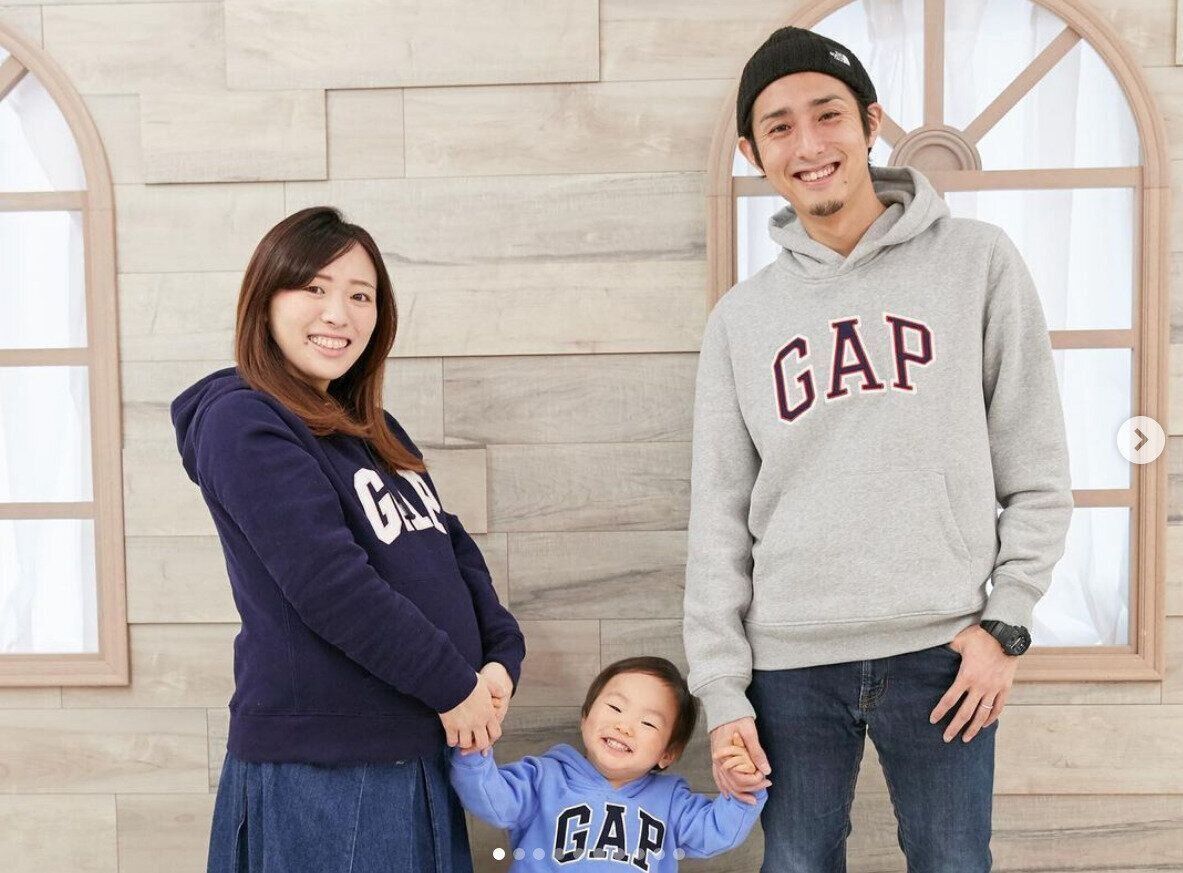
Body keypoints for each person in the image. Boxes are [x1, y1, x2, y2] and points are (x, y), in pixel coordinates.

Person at [682, 26, 1073, 872]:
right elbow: (716, 518)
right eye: (779, 126)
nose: (808, 144)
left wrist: (1003, 625)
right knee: (795, 862)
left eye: (827, 115)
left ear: (869, 123)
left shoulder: (977, 263)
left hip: (943, 651)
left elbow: (1038, 471)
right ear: (752, 153)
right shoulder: (741, 320)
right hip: (786, 663)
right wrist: (721, 689)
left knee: (952, 862)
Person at [171, 206, 526, 872]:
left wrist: (500, 659)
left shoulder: (373, 428)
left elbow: (451, 550)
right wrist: (454, 687)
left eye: (360, 296)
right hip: (328, 770)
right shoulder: (242, 421)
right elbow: (332, 587)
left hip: (418, 746)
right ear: (265, 299)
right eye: (314, 288)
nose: (338, 313)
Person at [449, 656, 766, 869]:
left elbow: (715, 832)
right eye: (615, 708)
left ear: (667, 753)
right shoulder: (544, 777)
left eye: (648, 723)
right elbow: (493, 802)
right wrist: (476, 749)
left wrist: (742, 789)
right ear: (585, 717)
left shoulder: (671, 801)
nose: (624, 726)